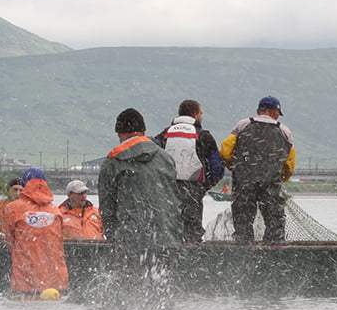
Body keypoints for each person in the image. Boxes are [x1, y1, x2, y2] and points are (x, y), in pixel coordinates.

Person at [97, 108, 180, 252]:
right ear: (143, 131)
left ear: (120, 134)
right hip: (166, 238)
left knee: (130, 274)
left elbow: (107, 206)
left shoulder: (113, 161)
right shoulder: (165, 157)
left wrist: (113, 237)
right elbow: (175, 198)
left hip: (130, 240)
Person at [220, 96, 296, 245]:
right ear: (275, 111)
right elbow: (290, 164)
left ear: (259, 110)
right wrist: (281, 177)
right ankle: (273, 253)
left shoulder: (243, 125)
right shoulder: (284, 131)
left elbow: (225, 151)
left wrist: (234, 167)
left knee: (243, 220)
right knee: (274, 221)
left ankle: (243, 252)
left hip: (244, 182)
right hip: (270, 183)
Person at [153, 99, 225, 243]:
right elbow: (217, 167)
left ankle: (166, 261)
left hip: (167, 190)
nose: (202, 117)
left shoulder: (164, 134)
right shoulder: (204, 135)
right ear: (195, 114)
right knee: (192, 232)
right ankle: (192, 261)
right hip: (193, 191)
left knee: (168, 230)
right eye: (201, 114)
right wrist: (204, 186)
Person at [2, 168, 68, 295]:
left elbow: (10, 240)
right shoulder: (56, 211)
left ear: (25, 184)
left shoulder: (13, 208)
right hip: (56, 278)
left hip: (25, 278)